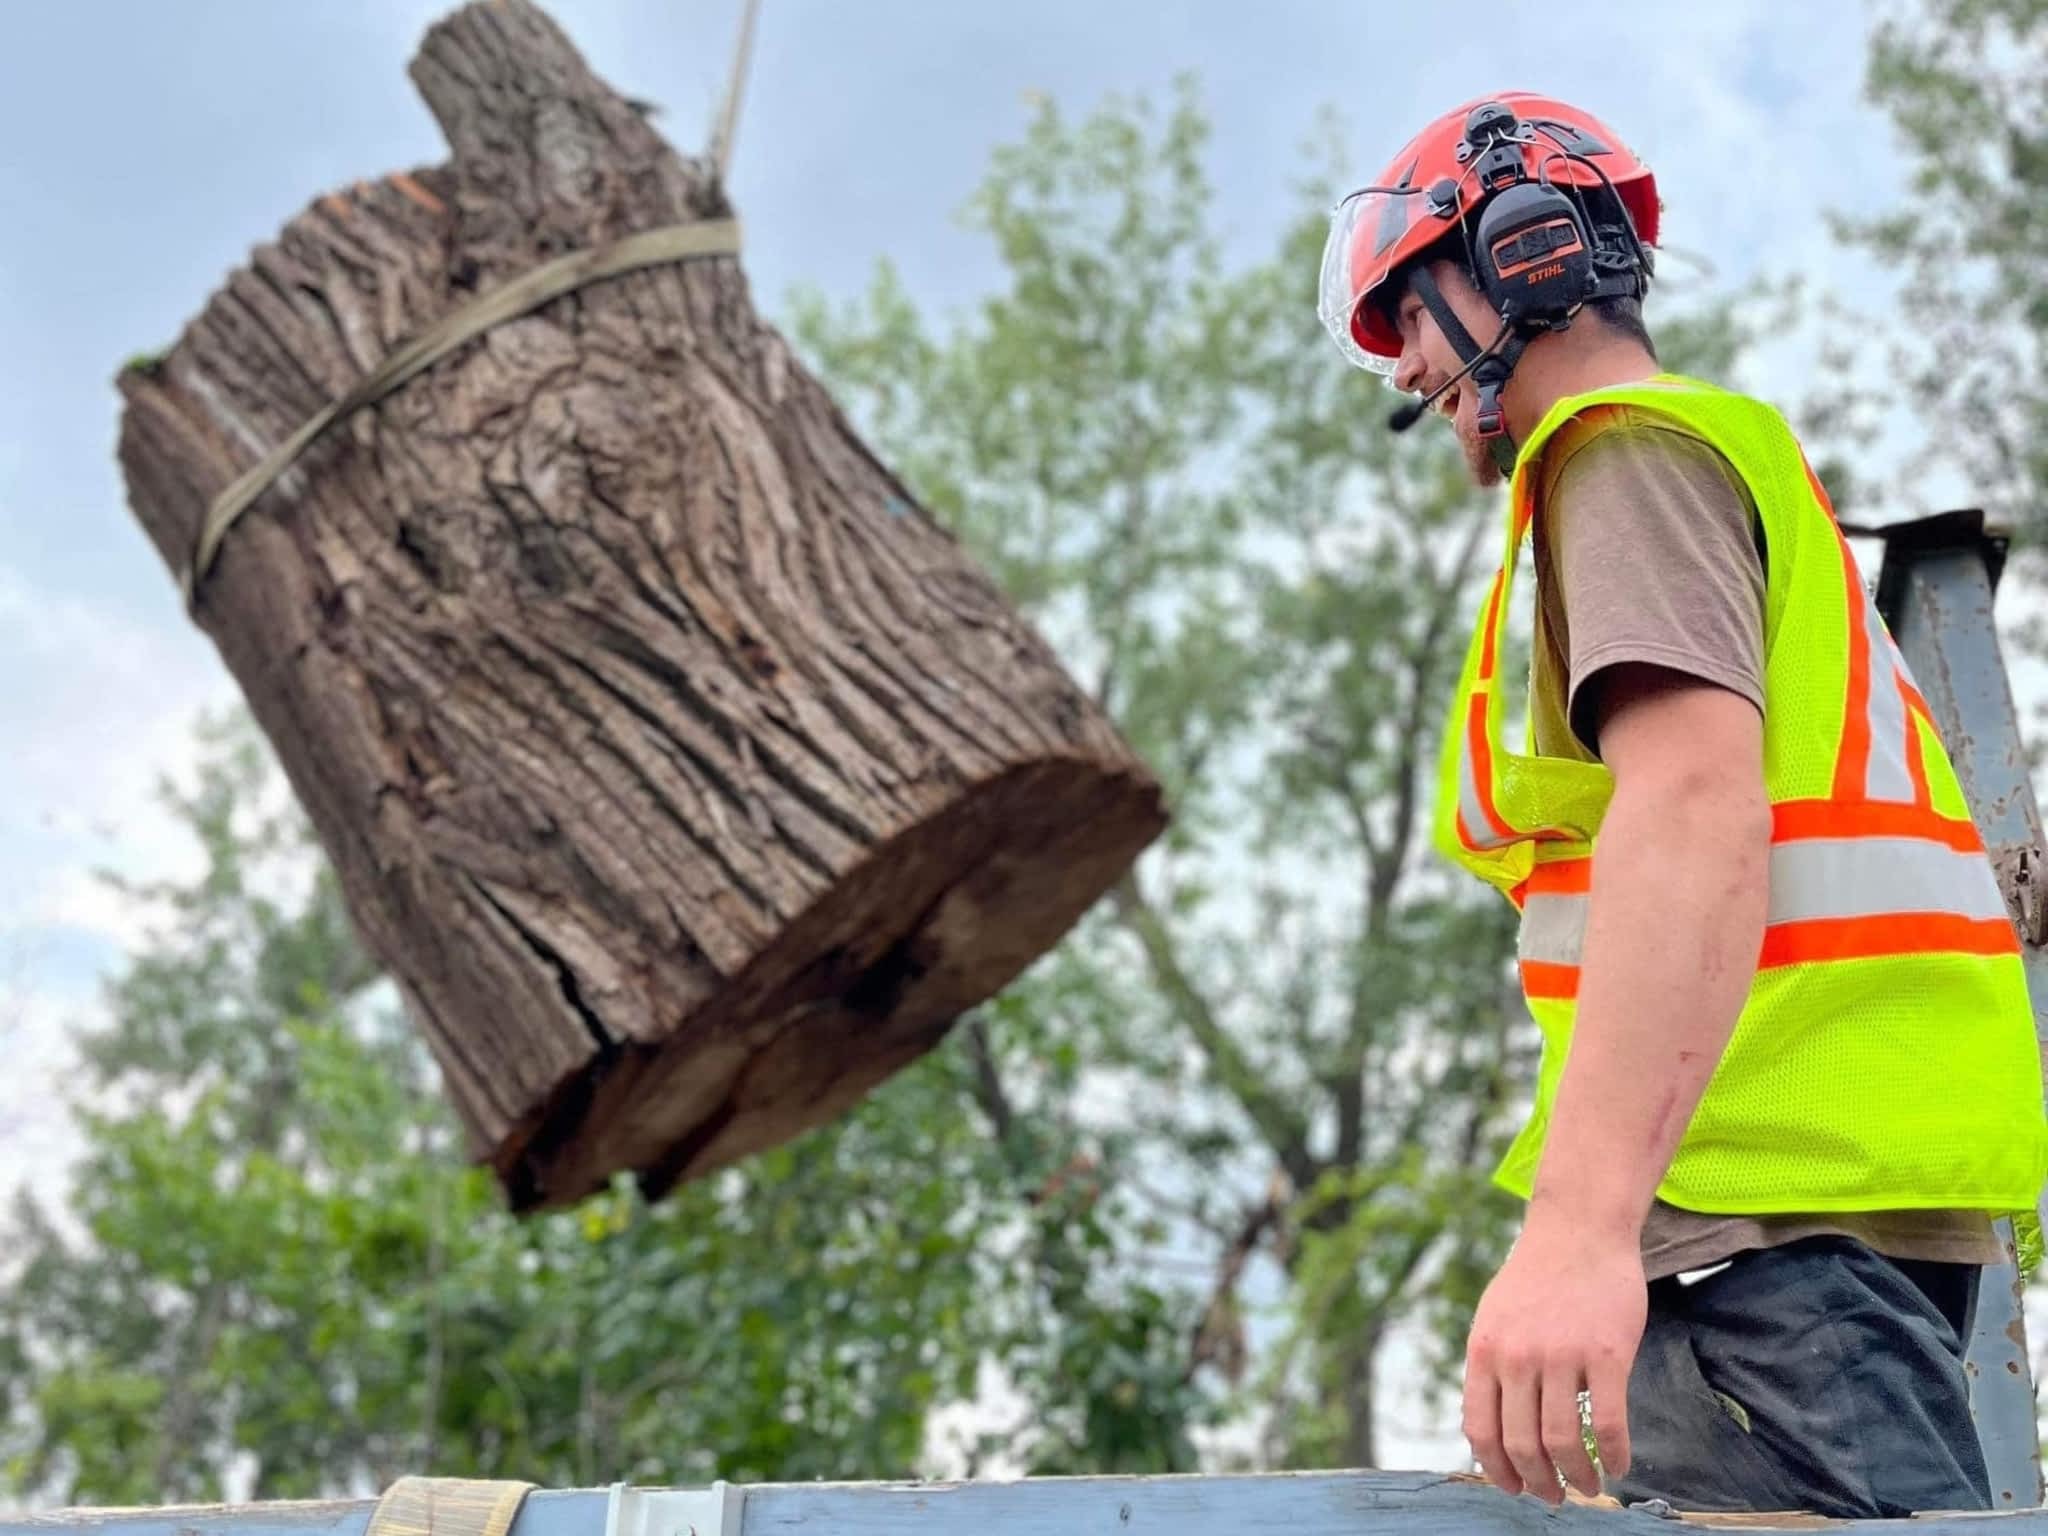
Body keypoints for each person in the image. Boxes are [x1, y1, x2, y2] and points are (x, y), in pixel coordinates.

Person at [1317, 92, 2048, 1519]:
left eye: (1407, 306)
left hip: (1760, 1253)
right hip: (1804, 1240)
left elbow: (1695, 809)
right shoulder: (1712, 468)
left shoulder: (1623, 454)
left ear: (1524, 257)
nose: (1398, 360)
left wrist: (1578, 1232)